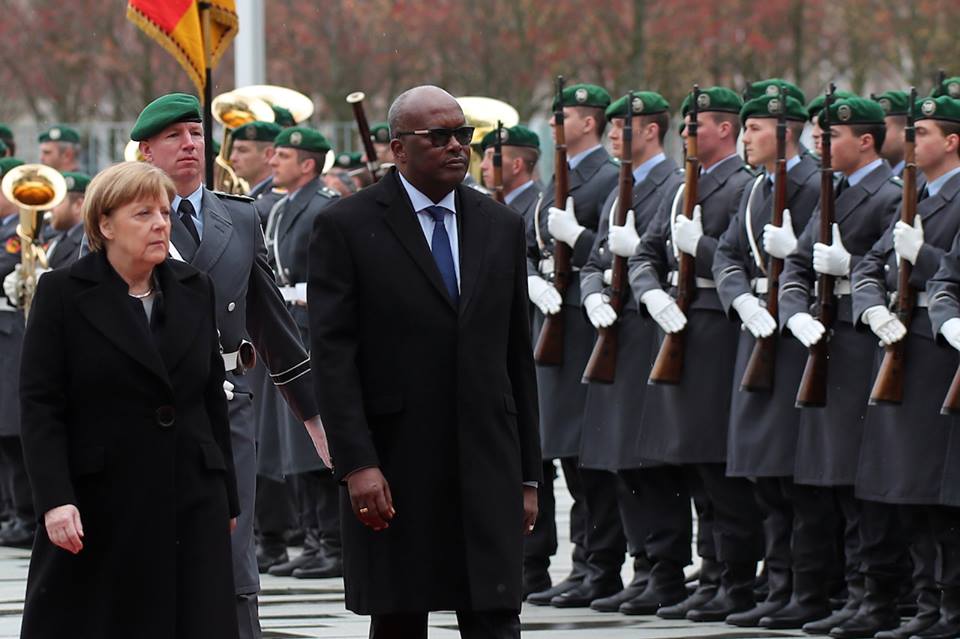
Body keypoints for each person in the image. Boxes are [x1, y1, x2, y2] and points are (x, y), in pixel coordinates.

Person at [308, 85, 540, 639]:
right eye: (439, 136)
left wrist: (529, 474)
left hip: (485, 461)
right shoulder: (347, 226)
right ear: (398, 149)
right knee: (400, 617)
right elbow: (334, 358)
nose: (457, 146)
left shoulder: (499, 225)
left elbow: (516, 361)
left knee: (495, 616)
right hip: (396, 461)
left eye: (464, 135)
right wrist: (356, 464)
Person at [130, 92, 330, 639]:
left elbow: (273, 327)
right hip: (143, 411)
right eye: (173, 136)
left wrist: (316, 422)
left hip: (224, 406)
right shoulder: (120, 217)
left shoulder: (240, 218)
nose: (190, 145)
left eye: (196, 133)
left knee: (233, 555)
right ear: (145, 151)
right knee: (157, 550)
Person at [18, 161, 240, 639]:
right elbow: (41, 406)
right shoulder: (62, 293)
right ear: (104, 224)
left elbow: (209, 399)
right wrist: (55, 500)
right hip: (100, 502)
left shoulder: (193, 288)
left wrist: (226, 497)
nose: (161, 224)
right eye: (143, 214)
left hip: (191, 496)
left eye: (164, 212)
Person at [628, 85, 760, 622]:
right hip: (677, 329)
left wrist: (698, 248)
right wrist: (651, 292)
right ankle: (711, 575)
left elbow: (740, 263)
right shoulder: (684, 187)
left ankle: (735, 580)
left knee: (718, 469)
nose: (685, 134)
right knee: (694, 469)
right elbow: (645, 251)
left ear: (724, 129)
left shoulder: (742, 185)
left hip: (717, 332)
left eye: (695, 125)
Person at [778, 96, 902, 634]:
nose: (817, 146)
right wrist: (792, 313)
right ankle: (855, 594)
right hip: (829, 342)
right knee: (835, 479)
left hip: (866, 344)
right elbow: (798, 265)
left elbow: (897, 271)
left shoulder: (890, 195)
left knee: (861, 479)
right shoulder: (836, 190)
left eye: (829, 138)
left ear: (865, 141)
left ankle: (876, 597)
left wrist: (850, 268)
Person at [851, 93, 960, 639]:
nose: (909, 141)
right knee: (907, 489)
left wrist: (924, 258)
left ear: (952, 141)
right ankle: (925, 606)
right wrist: (868, 304)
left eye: (921, 133)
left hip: (942, 352)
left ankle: (949, 608)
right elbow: (871, 261)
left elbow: (950, 274)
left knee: (939, 491)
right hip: (899, 344)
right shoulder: (911, 195)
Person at [578, 90, 691, 616]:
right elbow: (593, 260)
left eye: (626, 126)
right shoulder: (618, 189)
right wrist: (592, 294)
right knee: (622, 458)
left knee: (652, 461)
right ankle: (643, 564)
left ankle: (665, 569)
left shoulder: (673, 185)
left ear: (651, 131)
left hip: (650, 332)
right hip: (615, 332)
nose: (615, 134)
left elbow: (657, 255)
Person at [712, 94, 821, 628]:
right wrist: (742, 299)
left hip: (798, 336)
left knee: (794, 475)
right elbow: (727, 253)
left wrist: (796, 247)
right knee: (766, 476)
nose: (744, 139)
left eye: (753, 129)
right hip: (757, 329)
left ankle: (806, 586)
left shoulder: (813, 183)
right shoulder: (756, 187)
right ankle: (779, 586)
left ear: (784, 133)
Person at [524, 82, 620, 608]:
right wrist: (532, 279)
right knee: (561, 454)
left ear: (589, 122)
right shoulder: (557, 179)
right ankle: (585, 564)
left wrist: (577, 244)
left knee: (586, 457)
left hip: (584, 322)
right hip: (551, 321)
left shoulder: (606, 176)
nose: (556, 121)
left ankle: (599, 565)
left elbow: (607, 254)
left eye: (564, 114)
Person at [257, 126, 343, 580]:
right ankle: (313, 538)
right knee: (293, 443)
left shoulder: (324, 208)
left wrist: (308, 292)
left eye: (284, 156)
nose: (273, 161)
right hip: (290, 332)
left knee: (318, 443)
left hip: (314, 332)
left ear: (308, 164)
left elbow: (335, 272)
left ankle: (333, 541)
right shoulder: (285, 207)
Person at [872, 90, 910, 177]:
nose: (875, 137)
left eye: (882, 130)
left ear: (906, 132)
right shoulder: (876, 177)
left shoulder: (922, 180)